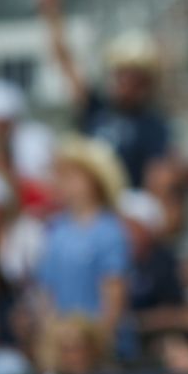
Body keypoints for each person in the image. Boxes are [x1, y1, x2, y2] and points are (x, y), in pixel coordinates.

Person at [38, 0, 172, 187]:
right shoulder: (96, 108)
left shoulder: (154, 127)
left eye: (132, 78)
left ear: (145, 84)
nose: (123, 83)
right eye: (119, 75)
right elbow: (65, 61)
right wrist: (52, 14)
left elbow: (158, 179)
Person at [36, 135, 129, 334]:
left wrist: (100, 339)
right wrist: (50, 335)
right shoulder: (56, 228)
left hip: (94, 342)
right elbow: (47, 292)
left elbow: (113, 294)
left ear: (95, 181)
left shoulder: (109, 230)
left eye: (72, 176)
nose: (63, 183)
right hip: (62, 340)